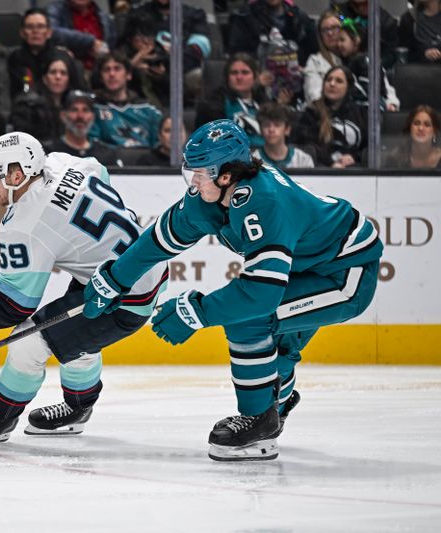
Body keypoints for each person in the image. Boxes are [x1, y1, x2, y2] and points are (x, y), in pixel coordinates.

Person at [82, 118, 383, 461]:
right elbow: (160, 239)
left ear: (226, 175)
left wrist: (196, 312)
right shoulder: (212, 193)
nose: (193, 182)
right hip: (308, 265)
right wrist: (115, 278)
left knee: (249, 319)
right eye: (190, 171)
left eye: (200, 173)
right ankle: (275, 406)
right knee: (276, 345)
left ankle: (259, 421)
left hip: (344, 274)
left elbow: (260, 294)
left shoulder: (264, 202)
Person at [0, 131, 169, 443]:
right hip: (139, 266)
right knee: (75, 337)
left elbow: (15, 305)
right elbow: (99, 171)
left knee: (26, 340)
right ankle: (78, 408)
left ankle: (0, 418)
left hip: (125, 294)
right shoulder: (61, 163)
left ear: (16, 175)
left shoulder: (25, 225)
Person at [195, 52, 272, 148]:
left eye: (245, 72)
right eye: (234, 73)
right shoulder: (213, 104)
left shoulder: (263, 101)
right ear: (227, 78)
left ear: (255, 77)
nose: (239, 77)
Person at [295, 65, 366, 168]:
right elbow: (308, 147)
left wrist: (354, 157)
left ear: (349, 87)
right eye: (329, 80)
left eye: (339, 81)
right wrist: (331, 163)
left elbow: (369, 147)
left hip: (356, 171)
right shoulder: (311, 113)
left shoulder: (360, 113)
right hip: (321, 170)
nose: (332, 84)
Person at [7, 8, 86, 99]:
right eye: (30, 27)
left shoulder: (63, 58)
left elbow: (79, 92)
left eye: (40, 27)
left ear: (49, 32)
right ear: (22, 33)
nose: (35, 31)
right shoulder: (15, 59)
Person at [89, 52, 163, 148]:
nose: (112, 74)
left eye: (117, 68)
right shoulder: (92, 109)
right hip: (108, 161)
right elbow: (92, 145)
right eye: (106, 70)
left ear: (128, 75)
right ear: (101, 77)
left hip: (145, 161)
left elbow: (160, 145)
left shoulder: (148, 110)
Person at [227, 0, 318, 66]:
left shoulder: (298, 16)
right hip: (258, 78)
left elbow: (312, 51)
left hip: (295, 78)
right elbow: (238, 56)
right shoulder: (244, 17)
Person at [10, 53, 76, 143]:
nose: (58, 77)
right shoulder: (28, 104)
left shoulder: (75, 106)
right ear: (45, 78)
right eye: (53, 72)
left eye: (63, 73)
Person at [334, 23, 399, 111]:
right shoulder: (345, 62)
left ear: (356, 40)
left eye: (342, 40)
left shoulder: (365, 60)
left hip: (372, 109)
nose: (338, 44)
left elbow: (369, 90)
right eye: (337, 41)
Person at [44, 90, 120, 165]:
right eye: (74, 110)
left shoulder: (106, 154)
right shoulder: (50, 152)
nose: (80, 116)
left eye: (85, 110)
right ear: (63, 116)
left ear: (93, 117)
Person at [46, 0, 116, 72]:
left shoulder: (103, 16)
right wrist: (90, 42)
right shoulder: (55, 9)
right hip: (68, 71)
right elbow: (52, 32)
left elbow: (112, 46)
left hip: (100, 72)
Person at [332, 0, 399, 69]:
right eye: (356, 5)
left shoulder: (387, 23)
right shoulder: (341, 13)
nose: (361, 8)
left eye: (365, 3)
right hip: (340, 63)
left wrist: (367, 62)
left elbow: (390, 57)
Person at [252, 102, 314, 169]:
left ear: (287, 129)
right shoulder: (252, 161)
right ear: (261, 130)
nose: (271, 130)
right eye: (266, 125)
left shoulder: (303, 160)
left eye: (277, 125)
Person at [303, 11, 344, 105]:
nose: (330, 33)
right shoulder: (315, 61)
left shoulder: (357, 58)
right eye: (325, 30)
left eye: (334, 28)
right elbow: (314, 95)